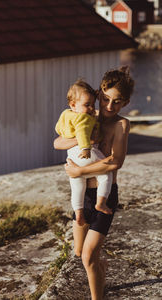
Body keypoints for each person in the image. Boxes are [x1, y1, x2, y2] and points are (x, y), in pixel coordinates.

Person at [54, 66, 134, 300]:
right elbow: (57, 143)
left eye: (117, 102)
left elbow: (115, 162)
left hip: (104, 196)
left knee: (89, 256)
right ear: (99, 94)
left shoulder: (121, 125)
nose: (110, 106)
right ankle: (102, 268)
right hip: (83, 197)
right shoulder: (87, 116)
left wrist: (80, 171)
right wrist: (81, 139)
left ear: (125, 103)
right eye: (106, 99)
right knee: (79, 253)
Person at [55, 79, 113, 227]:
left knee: (77, 187)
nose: (91, 108)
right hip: (86, 154)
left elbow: (58, 134)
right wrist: (86, 145)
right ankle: (101, 202)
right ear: (73, 104)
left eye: (93, 104)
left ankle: (78, 212)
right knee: (106, 174)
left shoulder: (65, 116)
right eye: (87, 105)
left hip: (72, 159)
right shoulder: (83, 117)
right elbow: (82, 132)